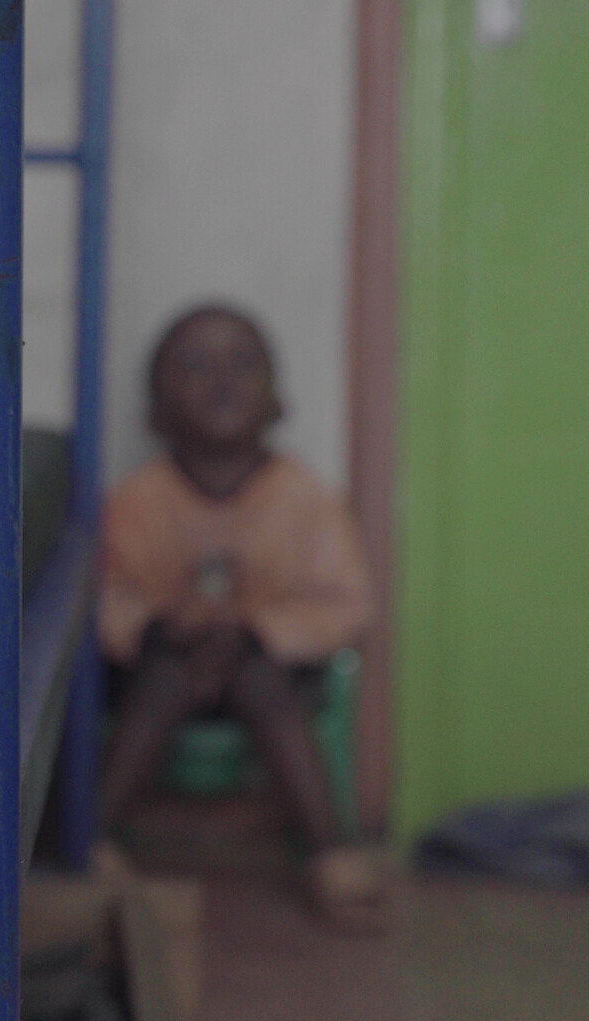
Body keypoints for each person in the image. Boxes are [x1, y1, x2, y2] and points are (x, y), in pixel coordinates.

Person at [97, 303, 384, 930]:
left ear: (276, 400)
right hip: (161, 669)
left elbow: (345, 603)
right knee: (167, 670)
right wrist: (162, 629)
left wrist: (254, 632)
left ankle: (331, 855)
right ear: (154, 410)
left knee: (257, 675)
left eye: (244, 364)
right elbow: (106, 595)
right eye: (195, 365)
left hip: (270, 673)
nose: (223, 380)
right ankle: (93, 841)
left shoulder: (306, 500)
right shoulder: (136, 501)